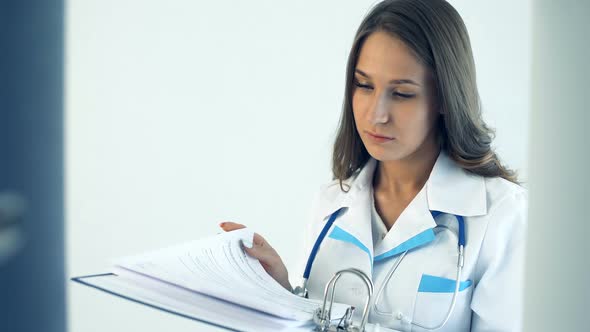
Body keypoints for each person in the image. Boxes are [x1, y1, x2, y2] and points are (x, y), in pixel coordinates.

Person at [221, 0, 527, 331]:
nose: (376, 115)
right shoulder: (332, 202)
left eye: (401, 94)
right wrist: (280, 292)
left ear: (444, 98)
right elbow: (315, 320)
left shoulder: (502, 215)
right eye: (364, 86)